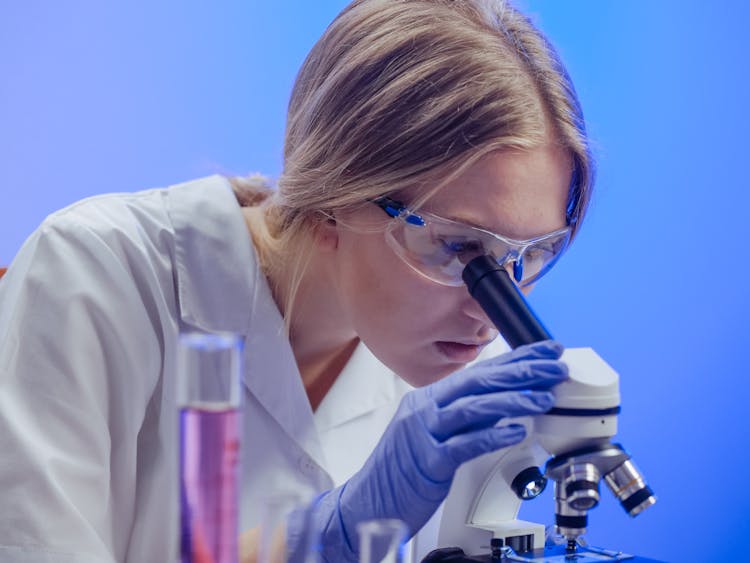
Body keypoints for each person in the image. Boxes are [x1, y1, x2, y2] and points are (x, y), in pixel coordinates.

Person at [0, 0, 594, 561]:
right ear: (337, 198)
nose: (491, 314)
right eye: (459, 246)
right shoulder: (94, 274)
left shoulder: (443, 370)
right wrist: (322, 540)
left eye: (532, 253)